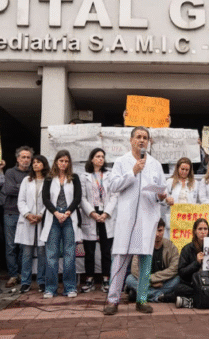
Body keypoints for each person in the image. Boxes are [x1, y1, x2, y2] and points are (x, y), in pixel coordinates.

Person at [103, 127, 167, 315]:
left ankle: (142, 299)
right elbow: (113, 186)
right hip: (127, 220)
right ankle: (112, 300)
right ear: (131, 140)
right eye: (138, 137)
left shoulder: (155, 164)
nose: (141, 140)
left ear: (149, 142)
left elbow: (162, 190)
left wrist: (161, 196)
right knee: (120, 260)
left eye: (145, 137)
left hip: (147, 219)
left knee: (145, 261)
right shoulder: (121, 162)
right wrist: (133, 172)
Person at [40, 150, 82, 299]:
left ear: (69, 163)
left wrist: (67, 212)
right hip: (53, 217)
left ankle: (70, 288)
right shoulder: (49, 178)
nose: (63, 163)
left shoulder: (74, 178)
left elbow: (77, 198)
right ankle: (50, 289)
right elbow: (45, 199)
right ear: (56, 162)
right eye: (61, 161)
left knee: (70, 254)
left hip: (69, 217)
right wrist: (56, 213)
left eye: (66, 161)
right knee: (51, 254)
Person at [80, 148, 117, 293]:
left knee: (106, 250)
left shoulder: (109, 175)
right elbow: (82, 197)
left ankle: (106, 279)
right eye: (97, 156)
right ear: (92, 159)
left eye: (102, 156)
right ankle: (89, 279)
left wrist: (106, 213)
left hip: (105, 214)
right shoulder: (84, 176)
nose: (101, 159)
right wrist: (92, 213)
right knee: (89, 251)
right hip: (91, 214)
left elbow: (114, 195)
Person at [0, 146, 33, 289]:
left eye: (28, 157)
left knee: (24, 246)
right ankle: (13, 275)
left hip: (27, 214)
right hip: (11, 212)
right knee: (11, 246)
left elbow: (35, 191)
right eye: (23, 157)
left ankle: (21, 273)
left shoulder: (33, 172)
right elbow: (9, 189)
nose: (26, 160)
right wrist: (27, 189)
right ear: (17, 158)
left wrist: (20, 187)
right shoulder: (10, 172)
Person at [15, 154, 49, 293]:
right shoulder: (26, 180)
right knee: (27, 253)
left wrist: (41, 214)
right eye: (34, 162)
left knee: (42, 253)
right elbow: (21, 200)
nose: (35, 164)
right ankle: (25, 282)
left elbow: (49, 200)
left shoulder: (48, 180)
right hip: (27, 220)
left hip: (42, 220)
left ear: (44, 165)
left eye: (38, 162)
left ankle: (41, 281)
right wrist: (28, 215)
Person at [125, 218, 180, 303]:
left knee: (177, 279)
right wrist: (151, 282)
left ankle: (140, 294)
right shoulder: (142, 246)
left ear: (164, 230)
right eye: (154, 231)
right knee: (129, 279)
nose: (157, 234)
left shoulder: (170, 246)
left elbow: (174, 268)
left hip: (162, 282)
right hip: (147, 282)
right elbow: (134, 269)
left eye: (160, 230)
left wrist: (152, 279)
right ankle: (158, 296)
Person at [174, 218, 209, 309]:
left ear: (208, 231)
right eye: (200, 229)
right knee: (179, 289)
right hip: (192, 283)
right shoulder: (187, 249)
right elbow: (182, 272)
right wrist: (196, 263)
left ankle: (189, 301)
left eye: (205, 229)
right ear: (195, 231)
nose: (203, 232)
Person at [163, 157, 198, 238]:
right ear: (177, 168)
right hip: (174, 217)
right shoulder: (169, 182)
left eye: (187, 170)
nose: (184, 172)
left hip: (189, 218)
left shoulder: (195, 183)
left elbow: (200, 200)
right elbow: (162, 199)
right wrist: (167, 200)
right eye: (182, 169)